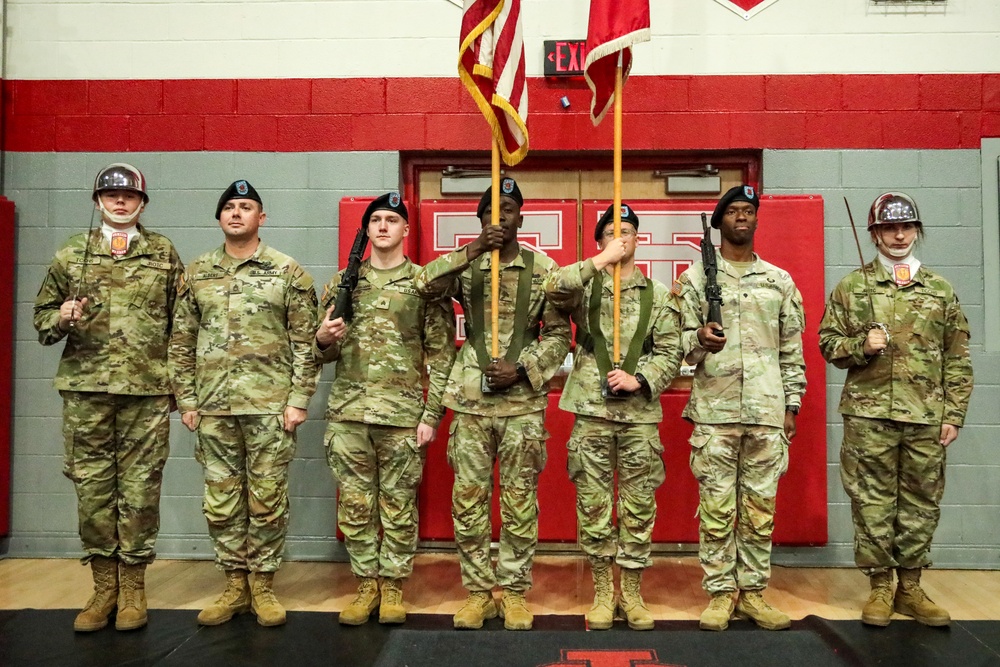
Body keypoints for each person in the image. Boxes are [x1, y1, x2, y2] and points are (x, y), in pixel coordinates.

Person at [414, 177, 571, 631]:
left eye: (507, 210)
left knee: (521, 502)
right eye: (489, 212)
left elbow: (560, 335)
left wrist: (523, 368)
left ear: (521, 216)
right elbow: (423, 286)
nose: (499, 217)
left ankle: (516, 592)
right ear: (480, 219)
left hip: (522, 405)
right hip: (469, 402)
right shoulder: (466, 266)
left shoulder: (544, 270)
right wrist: (475, 248)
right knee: (469, 500)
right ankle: (479, 592)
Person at [33, 163, 183, 632]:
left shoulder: (162, 253)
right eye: (110, 195)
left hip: (147, 391)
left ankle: (134, 587)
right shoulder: (71, 254)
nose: (120, 202)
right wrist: (60, 316)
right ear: (97, 200)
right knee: (93, 489)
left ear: (142, 203)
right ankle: (103, 589)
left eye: (129, 196)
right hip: (86, 390)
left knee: (141, 490)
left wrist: (181, 386)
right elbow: (40, 322)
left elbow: (183, 325)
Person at [169, 180, 320, 628]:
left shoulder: (287, 271)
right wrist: (187, 400)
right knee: (221, 501)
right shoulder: (196, 273)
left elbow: (305, 344)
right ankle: (234, 584)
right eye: (229, 207)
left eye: (246, 207)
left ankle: (264, 586)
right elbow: (181, 341)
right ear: (220, 218)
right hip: (213, 408)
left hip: (271, 408)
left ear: (262, 218)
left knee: (267, 500)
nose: (237, 213)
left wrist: (298, 400)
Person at [818, 192, 973, 628]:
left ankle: (911, 586)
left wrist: (954, 413)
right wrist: (860, 347)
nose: (899, 235)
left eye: (906, 227)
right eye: (889, 228)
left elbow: (958, 357)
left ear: (917, 231)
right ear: (875, 234)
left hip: (926, 417)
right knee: (871, 503)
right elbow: (827, 344)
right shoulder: (852, 288)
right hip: (869, 417)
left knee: (922, 503)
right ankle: (881, 587)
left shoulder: (939, 290)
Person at [314, 193, 456, 626]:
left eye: (391, 220)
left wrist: (432, 416)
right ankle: (365, 585)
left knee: (397, 505)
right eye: (375, 219)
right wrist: (323, 338)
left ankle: (393, 586)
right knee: (355, 506)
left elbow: (442, 355)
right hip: (349, 413)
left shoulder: (423, 285)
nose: (382, 227)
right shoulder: (343, 283)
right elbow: (321, 355)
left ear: (406, 230)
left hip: (401, 416)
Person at [674, 185, 806, 632]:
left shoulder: (779, 281)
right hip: (716, 411)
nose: (742, 217)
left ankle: (752, 593)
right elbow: (672, 347)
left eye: (749, 211)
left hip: (767, 411)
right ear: (720, 221)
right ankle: (719, 593)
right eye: (733, 211)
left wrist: (792, 404)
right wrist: (698, 340)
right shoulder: (694, 280)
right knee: (716, 507)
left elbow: (792, 349)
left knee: (759, 508)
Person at [544, 204, 682, 630]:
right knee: (594, 504)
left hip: (639, 416)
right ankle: (604, 589)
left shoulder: (657, 296)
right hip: (591, 411)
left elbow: (672, 351)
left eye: (629, 231)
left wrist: (641, 379)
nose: (622, 238)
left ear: (638, 240)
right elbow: (553, 288)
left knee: (639, 506)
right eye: (612, 232)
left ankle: (633, 591)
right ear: (600, 240)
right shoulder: (584, 289)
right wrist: (601, 261)